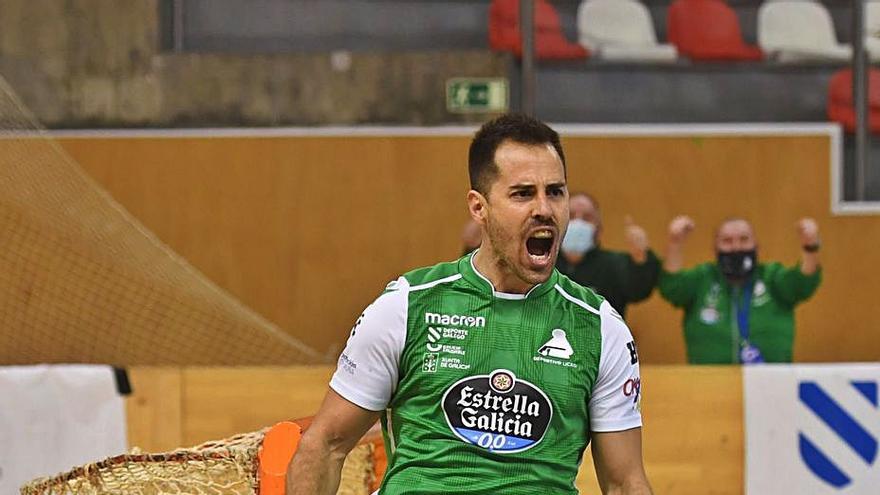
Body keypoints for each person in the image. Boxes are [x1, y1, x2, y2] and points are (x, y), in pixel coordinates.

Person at [286, 114, 652, 494]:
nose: (544, 208)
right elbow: (325, 446)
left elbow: (625, 481)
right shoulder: (407, 306)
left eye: (555, 192)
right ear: (479, 208)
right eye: (523, 193)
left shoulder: (600, 327)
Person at [659, 215, 822, 364]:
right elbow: (673, 287)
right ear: (716, 249)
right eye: (727, 241)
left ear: (757, 247)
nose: (736, 247)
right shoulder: (704, 278)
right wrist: (675, 243)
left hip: (771, 385)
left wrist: (810, 247)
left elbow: (803, 282)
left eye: (744, 239)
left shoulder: (771, 276)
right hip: (709, 386)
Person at [556, 193, 660, 318]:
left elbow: (639, 291)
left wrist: (641, 258)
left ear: (599, 229)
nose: (578, 222)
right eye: (571, 216)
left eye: (587, 218)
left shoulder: (615, 264)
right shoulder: (541, 265)